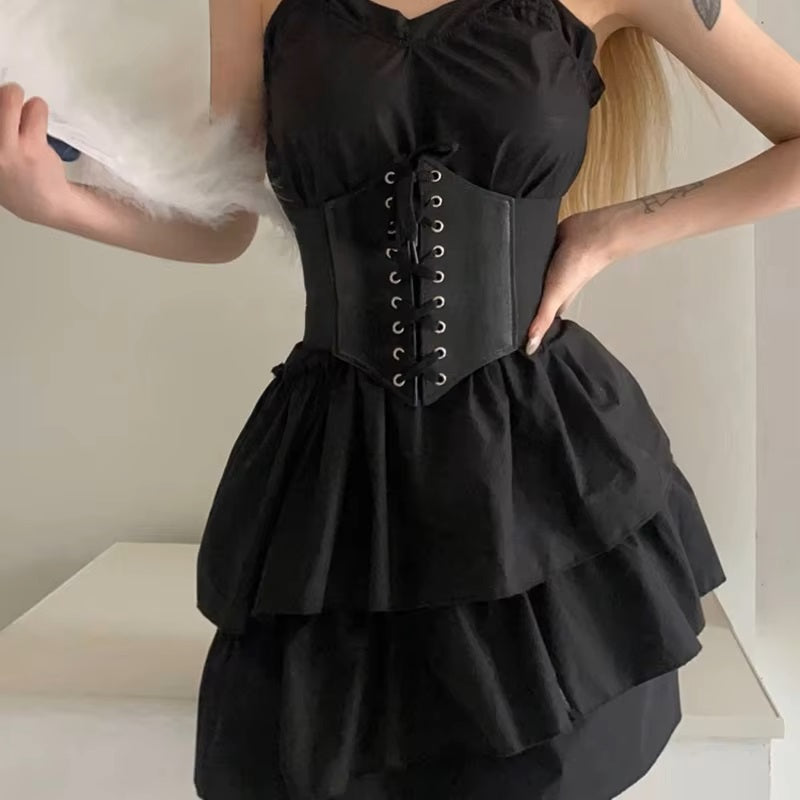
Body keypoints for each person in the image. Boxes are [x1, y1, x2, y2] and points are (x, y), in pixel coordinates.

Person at [1, 0, 799, 797]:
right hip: (341, 482)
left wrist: (614, 230)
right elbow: (226, 219)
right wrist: (57, 201)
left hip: (535, 478)